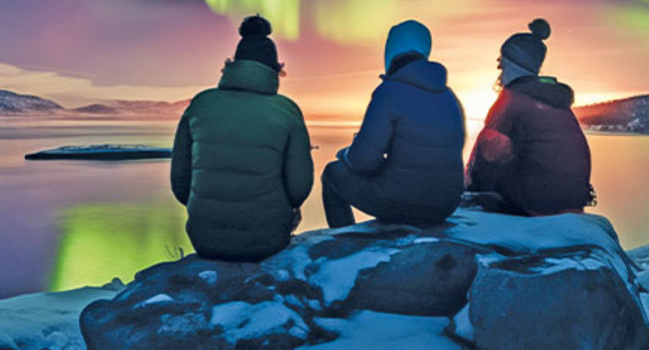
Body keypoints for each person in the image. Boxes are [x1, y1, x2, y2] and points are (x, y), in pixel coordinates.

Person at [171, 14, 313, 261]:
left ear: (232, 65)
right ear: (275, 70)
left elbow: (180, 182)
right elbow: (299, 189)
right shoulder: (287, 111)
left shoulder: (200, 104)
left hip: (205, 239)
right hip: (266, 241)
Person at [322, 19, 466, 228]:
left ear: (391, 53)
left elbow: (364, 161)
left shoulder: (388, 92)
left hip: (408, 203)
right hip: (445, 205)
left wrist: (345, 154)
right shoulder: (449, 96)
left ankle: (343, 242)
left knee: (332, 174)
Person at [465, 17, 593, 215]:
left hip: (535, 202)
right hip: (573, 200)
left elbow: (487, 159)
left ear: (512, 66)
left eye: (502, 63)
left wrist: (472, 191)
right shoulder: (560, 106)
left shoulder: (511, 101)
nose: (499, 71)